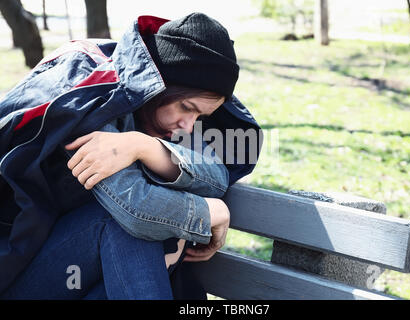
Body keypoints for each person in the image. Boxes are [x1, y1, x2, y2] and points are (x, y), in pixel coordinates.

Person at [0, 13, 262, 299]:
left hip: (73, 270)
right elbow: (136, 210)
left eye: (201, 116)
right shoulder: (90, 102)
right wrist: (214, 212)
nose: (188, 125)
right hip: (17, 274)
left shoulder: (160, 117)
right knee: (120, 225)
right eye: (187, 107)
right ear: (162, 85)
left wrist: (145, 147)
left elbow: (217, 175)